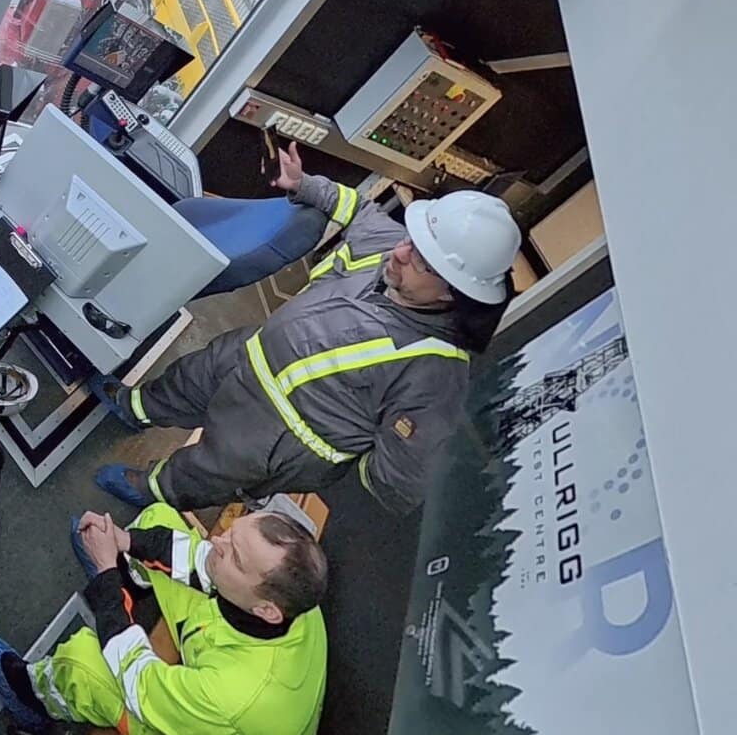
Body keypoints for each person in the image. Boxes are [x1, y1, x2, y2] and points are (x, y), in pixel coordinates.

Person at [92, 142, 520, 513]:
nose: (402, 252)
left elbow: (401, 480)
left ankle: (151, 488)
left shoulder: (436, 372)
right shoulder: (393, 250)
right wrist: (305, 185)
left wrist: (322, 454)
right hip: (252, 352)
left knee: (206, 469)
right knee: (188, 378)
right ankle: (135, 408)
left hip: (277, 433)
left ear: (452, 293)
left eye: (422, 261)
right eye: (412, 239)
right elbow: (358, 208)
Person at [0, 505, 328, 735]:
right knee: (161, 517)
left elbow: (136, 679)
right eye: (230, 534)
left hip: (194, 726)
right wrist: (125, 544)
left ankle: (27, 695)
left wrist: (107, 576)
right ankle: (130, 577)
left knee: (83, 664)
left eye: (234, 555)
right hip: (219, 648)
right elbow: (204, 556)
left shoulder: (233, 697)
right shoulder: (291, 600)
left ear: (268, 611)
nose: (216, 541)